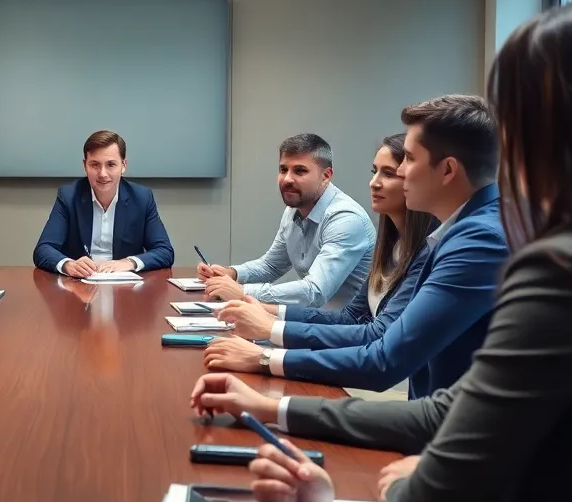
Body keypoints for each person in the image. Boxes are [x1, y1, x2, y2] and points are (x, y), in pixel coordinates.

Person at [192, 0, 572, 502]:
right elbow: (466, 410)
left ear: (568, 127)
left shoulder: (570, 269)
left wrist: (401, 485)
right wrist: (277, 407)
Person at [201, 97, 507, 397]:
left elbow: (383, 354)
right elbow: (353, 317)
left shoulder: (478, 241)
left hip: (419, 406)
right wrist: (268, 315)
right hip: (421, 405)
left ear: (448, 170)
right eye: (377, 171)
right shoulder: (435, 236)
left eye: (407, 161)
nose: (395, 175)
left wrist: (267, 347)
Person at [217, 134, 435, 352]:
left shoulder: (348, 218)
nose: (374, 183)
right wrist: (242, 287)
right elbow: (351, 317)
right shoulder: (392, 243)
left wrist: (265, 322)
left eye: (389, 174)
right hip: (338, 339)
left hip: (358, 357)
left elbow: (375, 334)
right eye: (283, 170)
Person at [199, 134, 375, 308]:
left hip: (347, 328)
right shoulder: (293, 210)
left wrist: (243, 292)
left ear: (326, 176)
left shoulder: (345, 219)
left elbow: (314, 292)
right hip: (311, 321)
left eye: (300, 171)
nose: (287, 179)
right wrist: (232, 274)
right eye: (283, 170)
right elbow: (271, 266)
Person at [33, 130, 174, 276]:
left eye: (111, 164)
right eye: (95, 165)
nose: (102, 174)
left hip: (126, 289)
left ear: (123, 165)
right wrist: (68, 264)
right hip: (79, 286)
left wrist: (129, 262)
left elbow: (164, 251)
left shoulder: (142, 198)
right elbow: (43, 249)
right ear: (85, 165)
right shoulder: (68, 196)